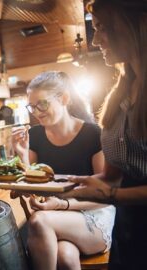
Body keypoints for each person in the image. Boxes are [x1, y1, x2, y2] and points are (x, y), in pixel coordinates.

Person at [60, 1, 147, 269]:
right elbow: (113, 176)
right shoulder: (118, 95)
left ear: (135, 26)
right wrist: (63, 189)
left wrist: (110, 194)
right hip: (127, 228)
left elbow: (112, 188)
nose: (95, 40)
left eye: (102, 28)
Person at [11, 71, 115, 270]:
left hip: (93, 215)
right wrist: (22, 155)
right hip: (54, 216)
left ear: (64, 99)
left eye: (42, 104)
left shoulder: (93, 134)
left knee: (38, 221)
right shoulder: (35, 135)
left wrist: (61, 204)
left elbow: (103, 196)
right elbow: (31, 186)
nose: (37, 112)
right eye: (32, 107)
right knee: (65, 258)